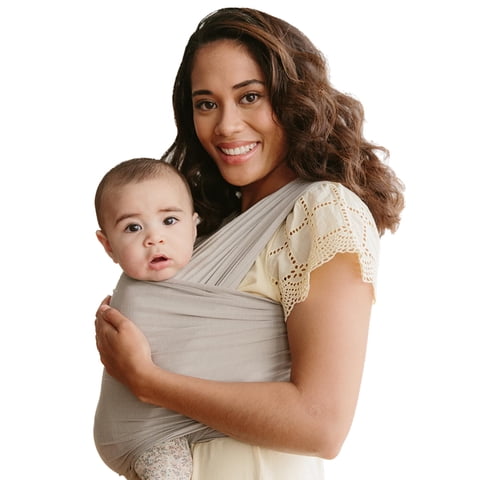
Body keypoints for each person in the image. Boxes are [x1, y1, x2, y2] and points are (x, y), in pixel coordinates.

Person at [95, 7, 405, 480]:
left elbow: (321, 425)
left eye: (250, 97)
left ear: (295, 100)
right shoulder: (207, 222)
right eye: (206, 103)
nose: (226, 126)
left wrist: (148, 381)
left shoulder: (323, 211)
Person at [94, 157, 198, 479]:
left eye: (169, 220)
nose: (154, 238)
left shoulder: (211, 275)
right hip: (147, 437)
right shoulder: (132, 303)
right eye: (133, 227)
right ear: (108, 246)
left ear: (195, 226)